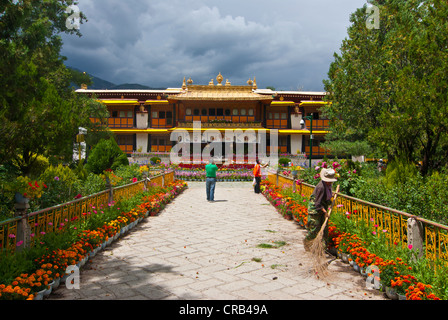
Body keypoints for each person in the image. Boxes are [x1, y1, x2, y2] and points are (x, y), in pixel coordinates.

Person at [305, 168, 338, 246]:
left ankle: (322, 246)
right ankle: (308, 244)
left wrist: (332, 195)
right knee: (314, 228)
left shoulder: (327, 185)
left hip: (321, 208)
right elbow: (317, 203)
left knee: (324, 228)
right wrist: (325, 212)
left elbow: (325, 196)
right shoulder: (321, 187)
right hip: (315, 210)